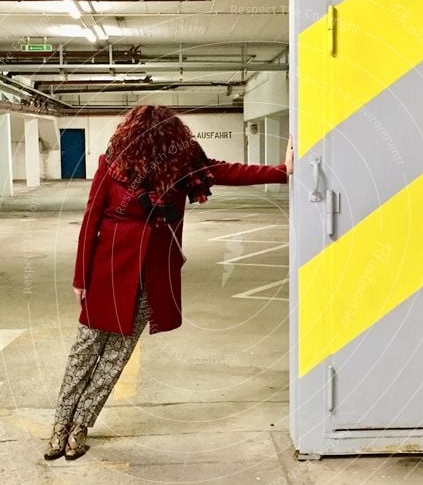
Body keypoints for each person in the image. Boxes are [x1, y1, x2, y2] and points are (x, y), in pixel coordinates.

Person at [44, 105, 294, 460]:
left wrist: (283, 172)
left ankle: (74, 430)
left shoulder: (179, 168)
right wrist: (80, 276)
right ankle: (64, 427)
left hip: (146, 276)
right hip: (111, 272)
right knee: (91, 350)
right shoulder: (114, 165)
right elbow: (92, 219)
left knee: (108, 355)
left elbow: (228, 171)